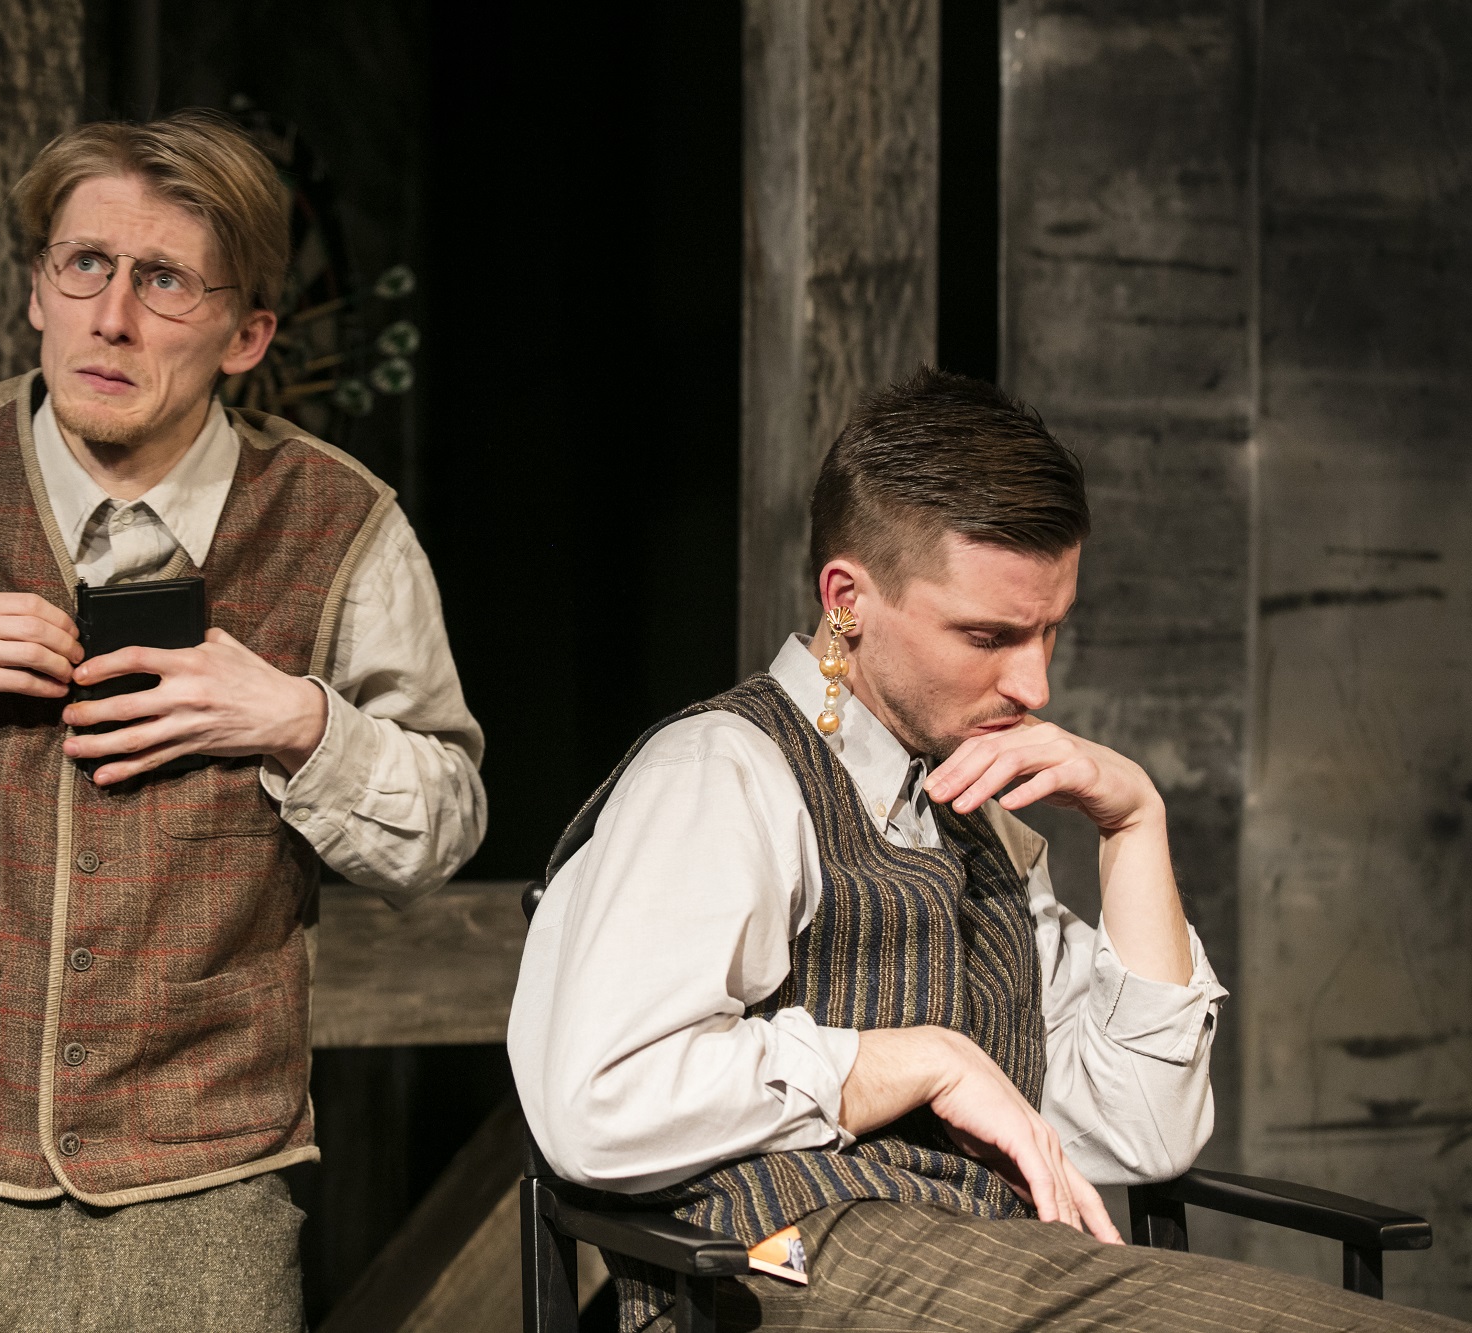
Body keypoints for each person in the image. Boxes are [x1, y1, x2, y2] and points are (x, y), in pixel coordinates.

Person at [0, 111, 485, 1332]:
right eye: (84, 265)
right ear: (36, 291)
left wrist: (298, 722)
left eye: (163, 281)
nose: (110, 317)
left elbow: (441, 822)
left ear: (247, 334)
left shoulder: (340, 523)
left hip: (200, 1200)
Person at [509, 367, 1461, 1332]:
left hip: (987, 1262)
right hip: (779, 1269)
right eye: (988, 635)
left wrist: (1135, 826)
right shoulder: (725, 772)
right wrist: (927, 1060)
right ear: (848, 600)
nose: (1035, 685)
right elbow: (600, 1102)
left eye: (1051, 632)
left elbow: (1146, 1128)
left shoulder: (976, 824)